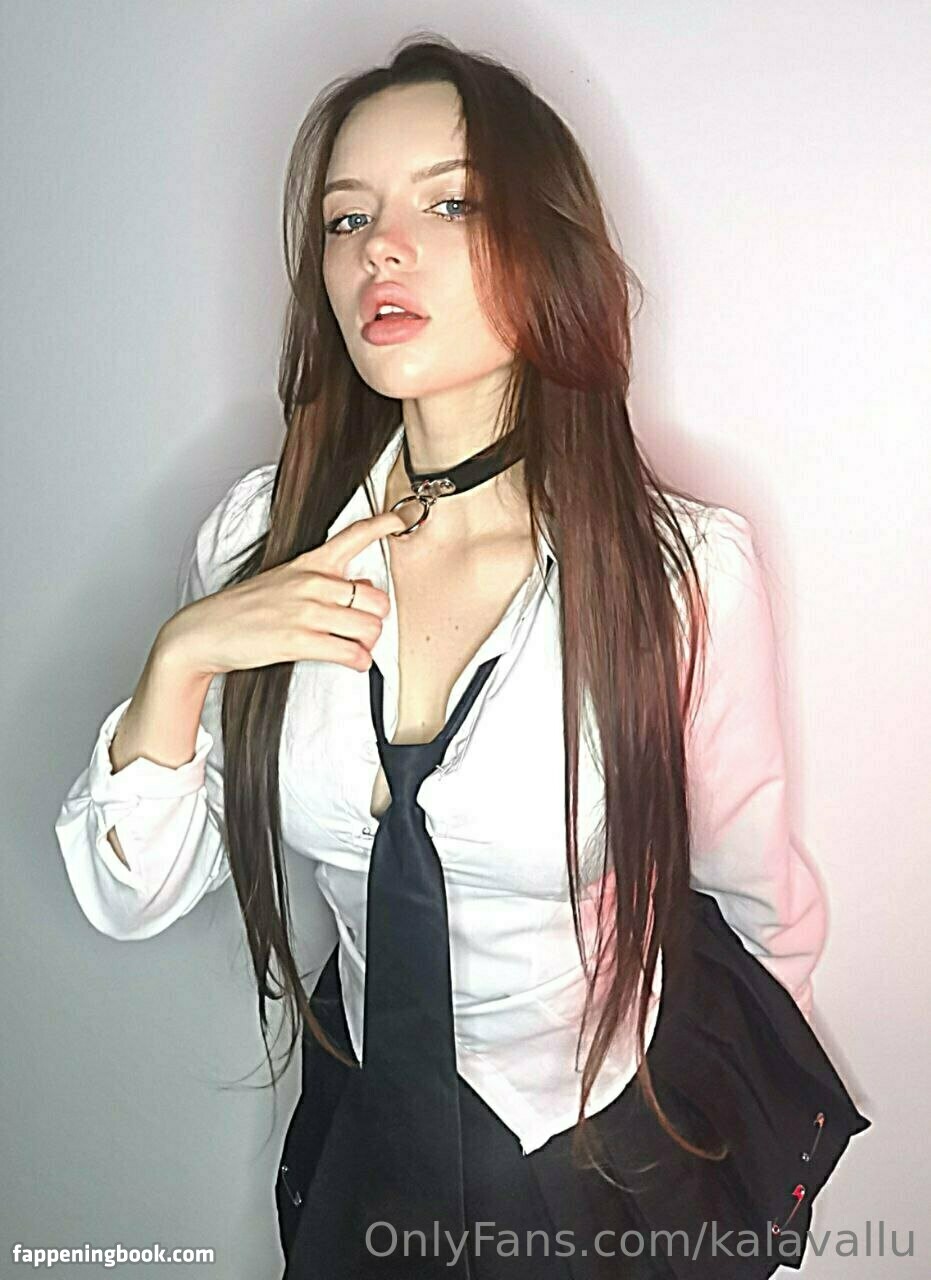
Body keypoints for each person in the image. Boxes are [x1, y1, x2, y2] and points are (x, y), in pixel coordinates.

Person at [55, 35, 870, 1280]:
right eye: (347, 219)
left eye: (448, 204)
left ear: (545, 246)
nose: (380, 250)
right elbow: (133, 896)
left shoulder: (681, 573)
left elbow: (758, 900)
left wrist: (729, 1166)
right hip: (366, 1152)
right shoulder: (258, 540)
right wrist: (180, 660)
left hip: (602, 1157)